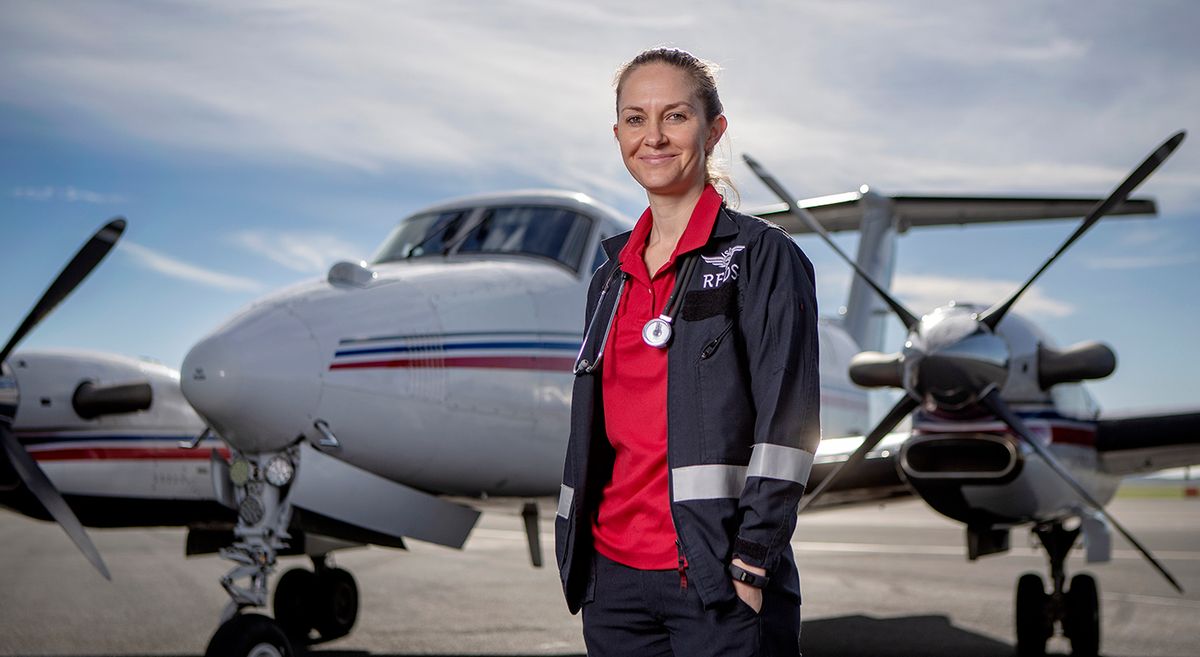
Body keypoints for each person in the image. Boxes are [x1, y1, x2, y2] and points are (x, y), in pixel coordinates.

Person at [555, 47, 820, 657]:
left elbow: (788, 427)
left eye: (674, 116)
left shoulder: (763, 257)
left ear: (714, 129)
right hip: (613, 582)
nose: (653, 137)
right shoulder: (609, 276)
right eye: (634, 119)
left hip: (717, 579)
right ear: (618, 132)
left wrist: (752, 562)